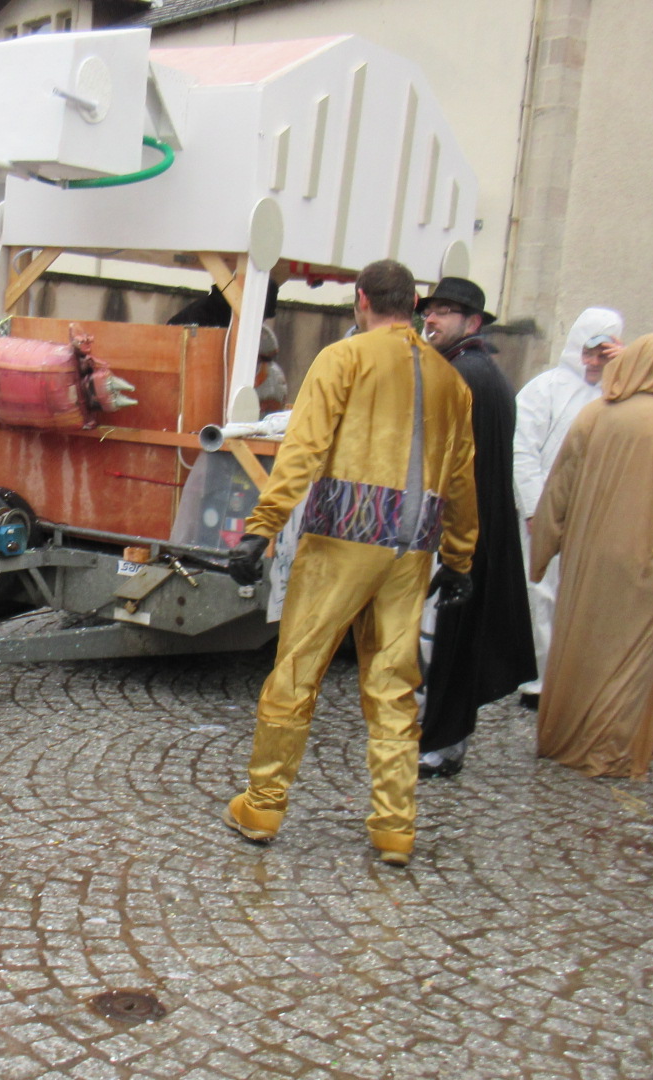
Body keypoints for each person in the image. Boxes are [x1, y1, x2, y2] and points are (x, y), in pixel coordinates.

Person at [222, 259, 479, 866]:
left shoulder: (343, 359)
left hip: (343, 535)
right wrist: (460, 557)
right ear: (414, 304)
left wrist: (262, 528)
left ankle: (264, 804)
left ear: (361, 299)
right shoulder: (451, 381)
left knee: (297, 669)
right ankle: (395, 825)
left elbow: (303, 449)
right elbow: (462, 478)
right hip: (412, 546)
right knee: (393, 684)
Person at [530, 335, 653, 778]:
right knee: (631, 656)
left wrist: (543, 553)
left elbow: (557, 491)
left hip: (586, 557)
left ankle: (563, 737)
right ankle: (611, 749)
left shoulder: (593, 415)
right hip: (649, 561)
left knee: (579, 647)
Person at [413, 277, 535, 778]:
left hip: (461, 530)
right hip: (474, 525)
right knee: (454, 637)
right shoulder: (480, 370)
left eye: (445, 311)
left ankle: (436, 743)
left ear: (473, 322)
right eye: (430, 310)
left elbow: (447, 463)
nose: (432, 319)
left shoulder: (463, 374)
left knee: (443, 638)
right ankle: (444, 739)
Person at [513, 308, 624, 707]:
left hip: (595, 512)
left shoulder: (619, 396)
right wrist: (533, 508)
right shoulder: (544, 390)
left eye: (603, 353)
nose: (593, 362)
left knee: (583, 597)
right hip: (547, 507)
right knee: (541, 594)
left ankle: (574, 676)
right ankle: (538, 679)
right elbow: (523, 450)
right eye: (588, 351)